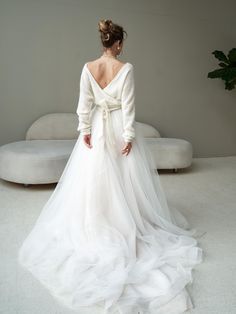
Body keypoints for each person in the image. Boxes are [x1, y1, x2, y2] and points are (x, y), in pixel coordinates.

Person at [18, 19, 204, 314]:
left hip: (96, 128)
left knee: (94, 177)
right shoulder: (125, 68)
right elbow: (128, 106)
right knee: (124, 178)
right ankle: (123, 218)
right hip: (117, 126)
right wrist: (128, 135)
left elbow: (83, 103)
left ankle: (99, 217)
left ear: (103, 42)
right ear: (118, 43)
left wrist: (85, 130)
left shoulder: (88, 68)